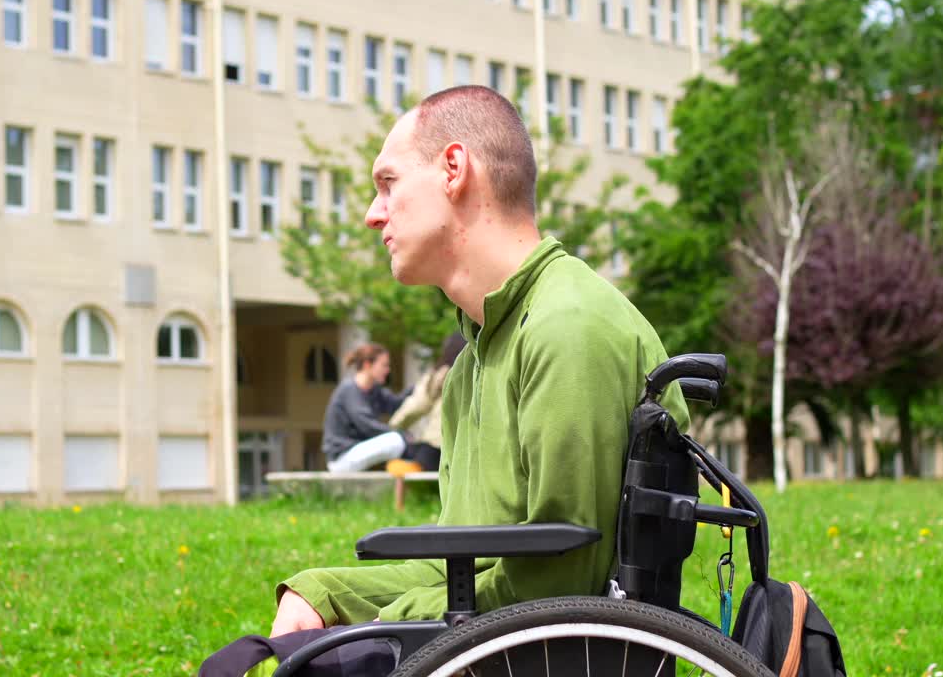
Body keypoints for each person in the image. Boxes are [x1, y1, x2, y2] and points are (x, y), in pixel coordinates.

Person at [271, 85, 688, 637]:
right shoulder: (471, 366)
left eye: (388, 184)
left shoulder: (568, 327)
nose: (374, 215)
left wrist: (376, 625)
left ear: (453, 169)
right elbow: (462, 566)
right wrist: (324, 595)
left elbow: (562, 585)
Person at [320, 343, 412, 473]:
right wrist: (401, 435)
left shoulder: (375, 391)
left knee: (399, 440)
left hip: (359, 451)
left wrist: (419, 388)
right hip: (342, 459)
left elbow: (395, 404)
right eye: (384, 365)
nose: (388, 370)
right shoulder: (349, 389)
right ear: (367, 365)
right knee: (395, 440)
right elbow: (367, 425)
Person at [388, 332, 468, 471]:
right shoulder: (484, 369)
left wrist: (394, 425)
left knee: (399, 464)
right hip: (468, 444)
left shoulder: (442, 372)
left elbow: (418, 404)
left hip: (437, 443)